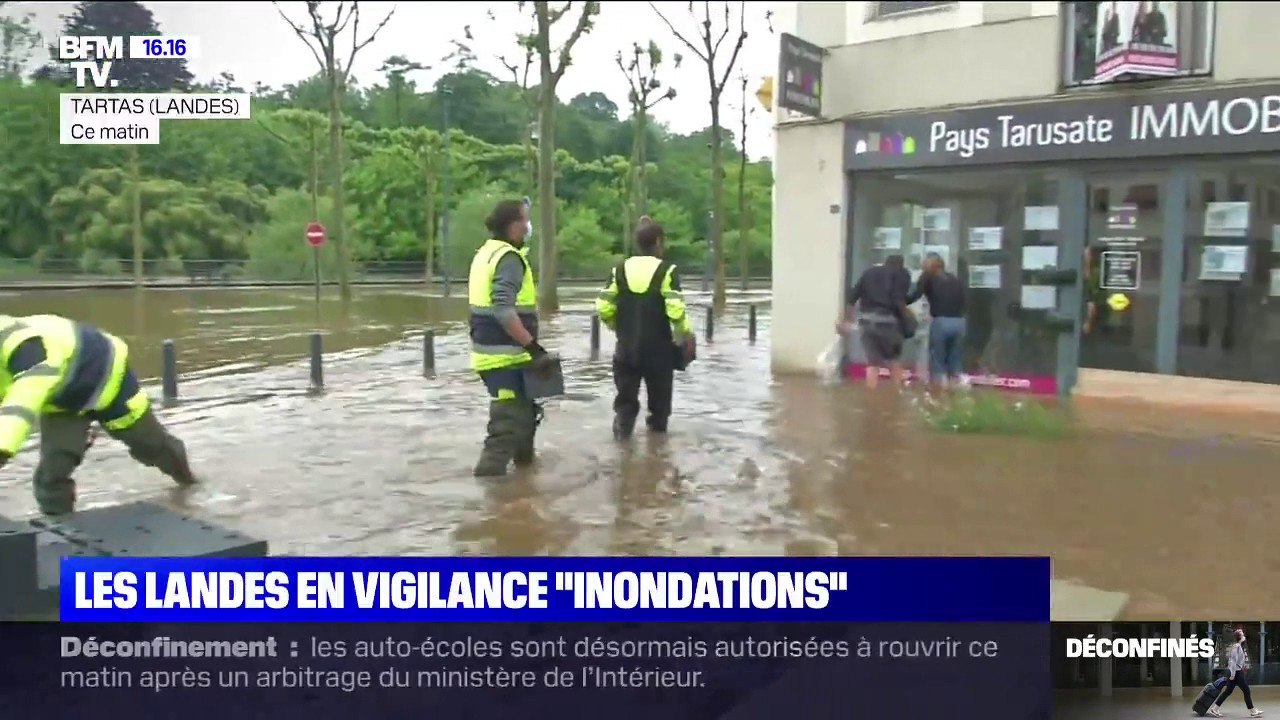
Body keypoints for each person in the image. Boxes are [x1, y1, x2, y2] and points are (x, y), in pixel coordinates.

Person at [0, 314, 196, 516]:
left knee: (154, 446)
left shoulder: (22, 346)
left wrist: (2, 449)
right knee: (52, 474)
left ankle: (190, 485)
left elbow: (24, 398)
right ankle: (60, 530)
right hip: (63, 404)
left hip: (107, 378)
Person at [467, 199, 558, 478]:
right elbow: (502, 308)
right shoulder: (509, 259)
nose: (529, 226)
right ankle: (491, 502)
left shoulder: (486, 253)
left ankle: (525, 488)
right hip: (504, 358)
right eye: (525, 220)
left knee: (525, 419)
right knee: (506, 429)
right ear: (514, 225)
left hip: (495, 354)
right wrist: (534, 347)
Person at [596, 217, 694, 440]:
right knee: (659, 410)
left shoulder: (619, 270)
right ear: (658, 242)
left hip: (625, 350)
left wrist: (617, 327)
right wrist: (685, 336)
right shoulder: (668, 271)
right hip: (658, 353)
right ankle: (657, 456)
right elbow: (676, 311)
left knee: (625, 405)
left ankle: (623, 450)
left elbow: (603, 306)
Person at [836, 254, 913, 389]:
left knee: (872, 363)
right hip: (889, 323)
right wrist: (909, 318)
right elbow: (899, 301)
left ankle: (871, 397)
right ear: (901, 265)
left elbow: (851, 299)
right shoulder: (902, 274)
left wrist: (845, 320)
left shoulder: (869, 273)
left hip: (866, 322)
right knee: (894, 361)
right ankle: (897, 397)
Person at [908, 252, 967, 391]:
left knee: (938, 364)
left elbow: (915, 295)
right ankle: (953, 398)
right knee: (954, 364)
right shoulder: (954, 279)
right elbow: (964, 301)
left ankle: (938, 399)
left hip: (941, 322)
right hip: (960, 323)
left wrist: (898, 302)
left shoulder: (928, 277)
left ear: (929, 265)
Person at [1209, 627, 1263, 717]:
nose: (1244, 636)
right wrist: (1233, 674)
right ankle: (1253, 711)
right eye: (1242, 634)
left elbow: (1236, 661)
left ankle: (1214, 709)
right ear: (1239, 637)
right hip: (1236, 673)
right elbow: (1232, 661)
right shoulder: (1236, 647)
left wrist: (1242, 666)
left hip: (1237, 672)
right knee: (1246, 690)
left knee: (1228, 692)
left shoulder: (1238, 646)